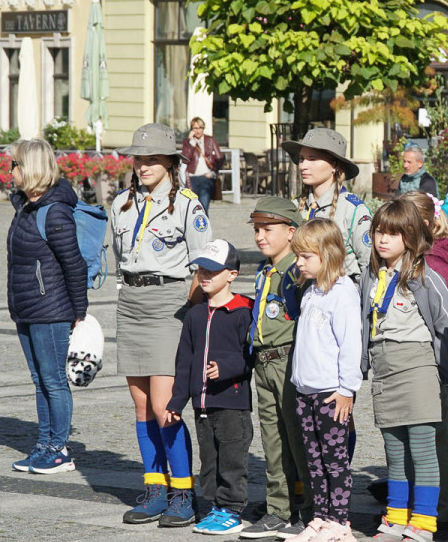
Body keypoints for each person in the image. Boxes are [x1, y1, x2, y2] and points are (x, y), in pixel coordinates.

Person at [112, 122, 212, 527]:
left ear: (171, 162)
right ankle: (155, 488)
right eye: (139, 158)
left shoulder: (188, 205)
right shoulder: (120, 203)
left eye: (152, 159)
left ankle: (183, 493)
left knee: (164, 405)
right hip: (131, 301)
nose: (143, 166)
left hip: (170, 302)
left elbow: (206, 266)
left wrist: (187, 311)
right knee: (140, 405)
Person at [358, 200, 448, 542]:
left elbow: (444, 323)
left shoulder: (426, 275)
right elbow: (363, 321)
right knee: (394, 448)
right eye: (378, 232)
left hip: (417, 366)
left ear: (411, 236)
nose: (382, 240)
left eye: (392, 233)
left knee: (422, 448)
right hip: (385, 366)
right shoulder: (371, 274)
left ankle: (425, 521)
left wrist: (445, 372)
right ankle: (397, 516)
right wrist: (363, 364)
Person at [6, 138, 88, 474]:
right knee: (40, 380)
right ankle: (44, 444)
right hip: (27, 307)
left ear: (32, 169)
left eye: (15, 165)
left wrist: (78, 313)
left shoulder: (54, 211)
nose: (10, 171)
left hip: (51, 309)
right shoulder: (26, 207)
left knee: (54, 380)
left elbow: (74, 264)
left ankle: (59, 449)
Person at [166, 240, 255, 536]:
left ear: (231, 274)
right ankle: (216, 506)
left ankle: (231, 510)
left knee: (232, 460)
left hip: (232, 404)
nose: (204, 275)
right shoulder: (194, 315)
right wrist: (176, 402)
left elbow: (251, 355)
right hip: (201, 405)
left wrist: (227, 369)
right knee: (209, 460)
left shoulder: (244, 310)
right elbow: (184, 362)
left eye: (212, 271)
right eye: (201, 269)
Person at [240, 198, 313, 539]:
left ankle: (310, 510)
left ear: (291, 231)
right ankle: (277, 510)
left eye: (268, 230)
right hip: (264, 362)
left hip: (288, 360)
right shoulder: (265, 269)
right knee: (272, 440)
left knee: (298, 439)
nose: (260, 236)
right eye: (256, 230)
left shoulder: (297, 272)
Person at [289, 218, 363, 542]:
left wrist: (347, 389)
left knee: (335, 461)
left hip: (331, 394)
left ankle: (340, 521)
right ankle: (320, 517)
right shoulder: (311, 291)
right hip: (305, 391)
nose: (299, 263)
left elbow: (351, 345)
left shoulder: (343, 293)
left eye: (306, 256)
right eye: (298, 256)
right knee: (314, 461)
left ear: (327, 254)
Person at [398, 190, 448, 530]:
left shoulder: (433, 261)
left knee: (433, 442)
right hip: (410, 367)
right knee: (418, 441)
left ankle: (444, 511)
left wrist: (443, 369)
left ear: (422, 223)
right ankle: (426, 507)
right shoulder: (418, 256)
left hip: (429, 367)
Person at [283, 128, 372, 283]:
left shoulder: (353, 210)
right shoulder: (295, 206)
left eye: (312, 159)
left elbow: (369, 266)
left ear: (334, 165)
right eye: (302, 159)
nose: (303, 166)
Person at [181, 117, 224, 213]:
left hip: (206, 178)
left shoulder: (210, 140)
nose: (198, 130)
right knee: (191, 209)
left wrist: (213, 172)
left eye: (200, 128)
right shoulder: (187, 142)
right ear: (191, 129)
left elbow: (220, 158)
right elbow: (185, 159)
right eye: (195, 128)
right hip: (191, 178)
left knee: (203, 208)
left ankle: (204, 227)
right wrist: (191, 142)